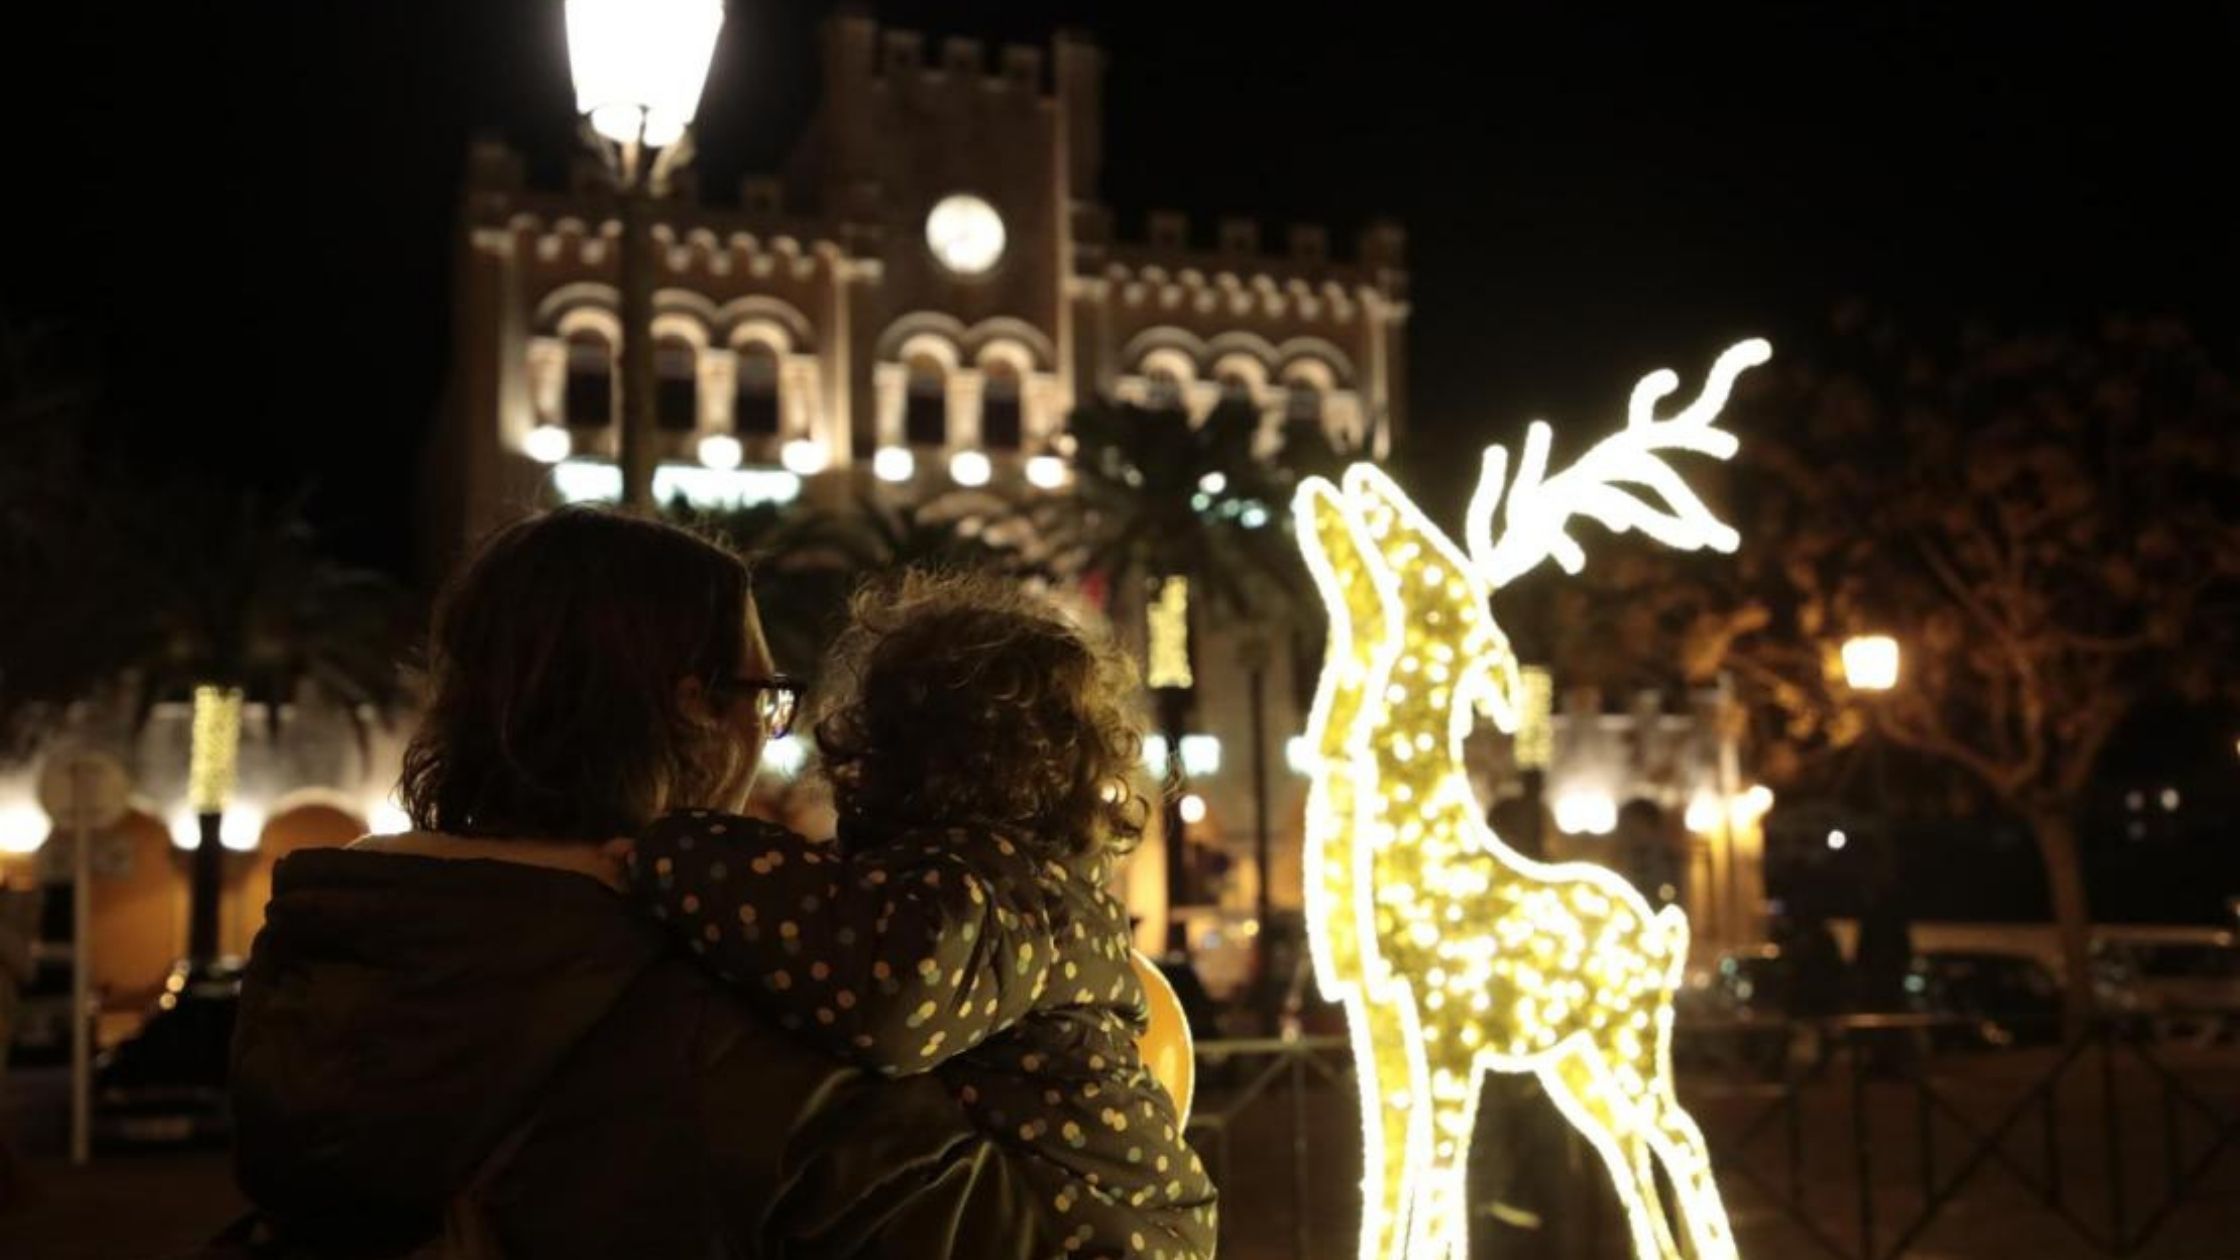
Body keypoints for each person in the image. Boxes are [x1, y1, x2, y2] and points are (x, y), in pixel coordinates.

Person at [224, 508, 1063, 1258]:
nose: (771, 736)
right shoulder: (736, 1016)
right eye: (765, 696)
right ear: (693, 706)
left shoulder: (322, 955)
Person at [622, 573, 1215, 1257]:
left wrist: (678, 851)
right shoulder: (1022, 885)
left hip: (1089, 1237)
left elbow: (892, 998)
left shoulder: (994, 892)